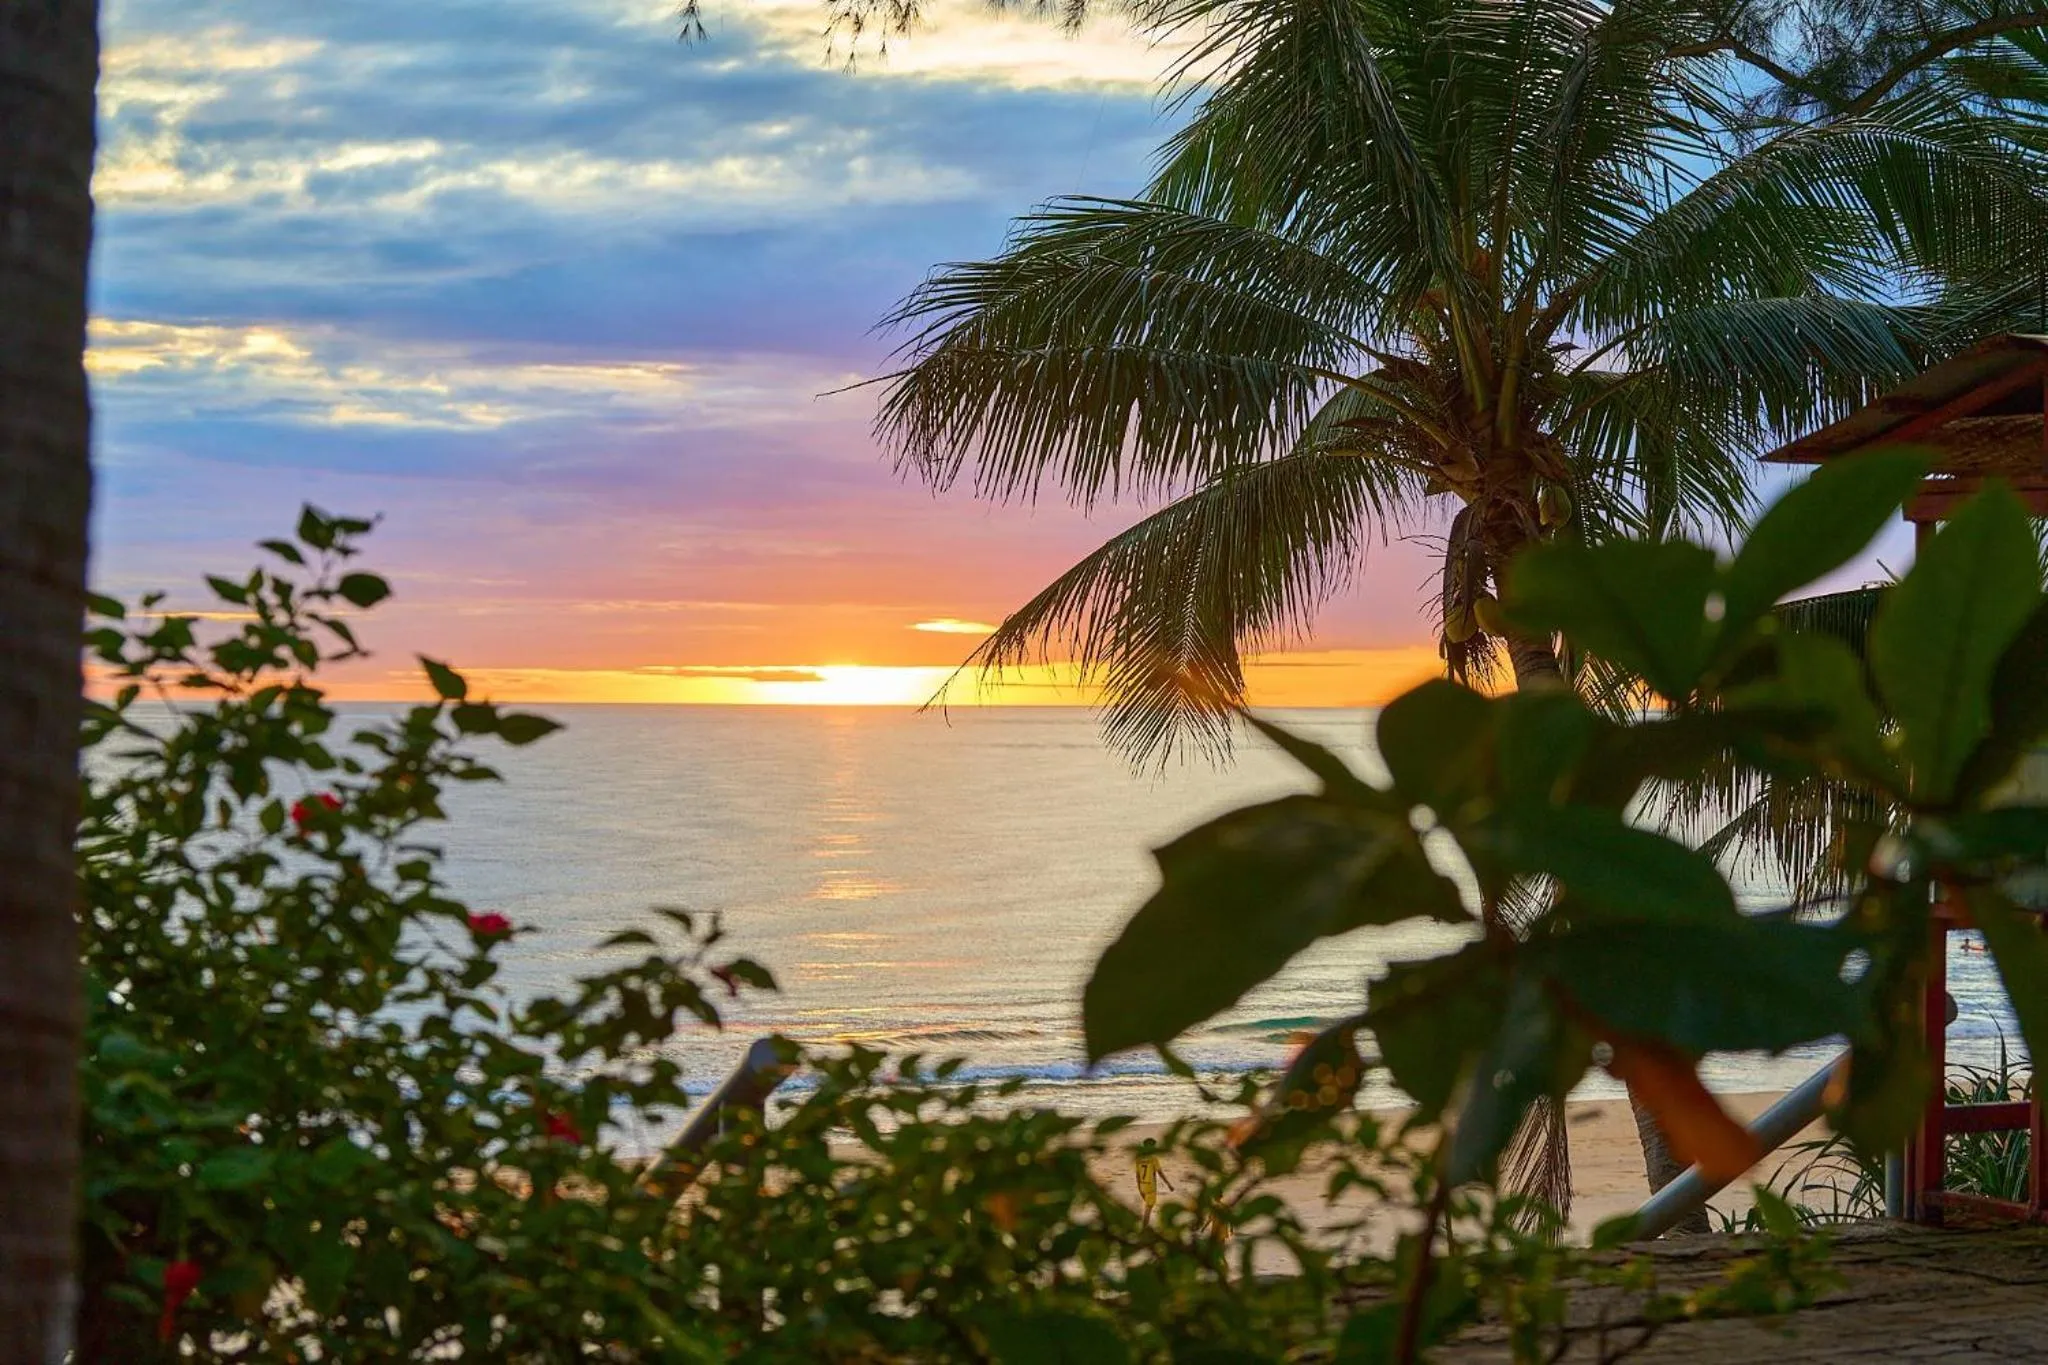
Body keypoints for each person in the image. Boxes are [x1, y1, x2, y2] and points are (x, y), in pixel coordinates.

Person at [1133, 1138, 1172, 1227]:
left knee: (1147, 1206)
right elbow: (1160, 1173)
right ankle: (1144, 1227)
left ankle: (1145, 1224)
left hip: (1142, 1185)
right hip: (1150, 1186)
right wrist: (1168, 1184)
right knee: (1148, 1208)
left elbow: (1137, 1175)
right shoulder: (1153, 1158)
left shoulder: (1138, 1159)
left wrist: (1139, 1188)